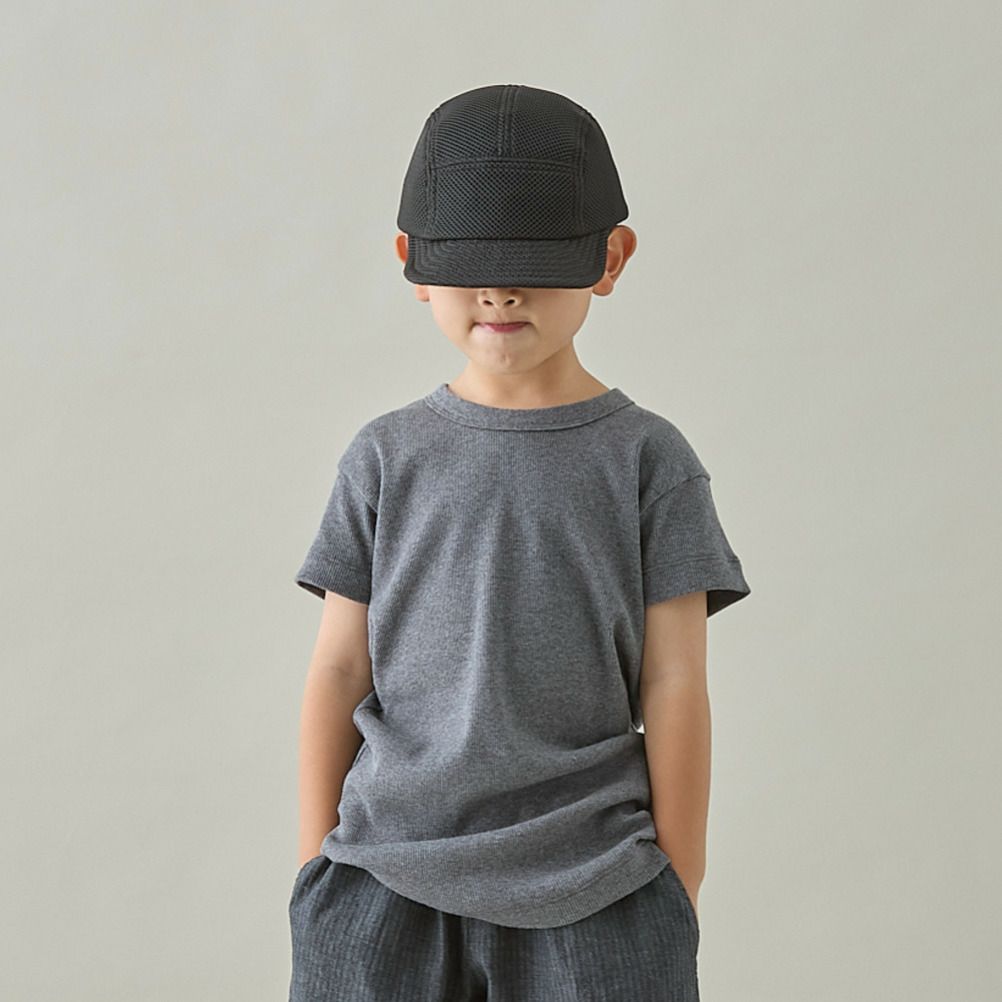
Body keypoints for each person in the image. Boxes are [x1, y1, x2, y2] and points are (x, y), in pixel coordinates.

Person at [287, 83, 751, 1002]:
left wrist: (678, 884)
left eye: (534, 264)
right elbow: (339, 669)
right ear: (412, 263)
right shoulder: (384, 456)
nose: (499, 292)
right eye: (470, 265)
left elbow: (675, 681)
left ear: (610, 258)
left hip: (600, 883)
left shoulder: (649, 460)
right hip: (382, 875)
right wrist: (314, 875)